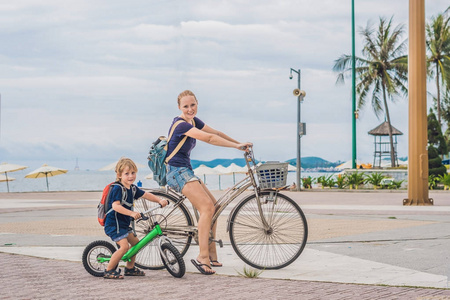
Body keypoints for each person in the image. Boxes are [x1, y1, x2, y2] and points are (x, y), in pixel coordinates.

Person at [166, 90, 252, 275]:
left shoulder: (194, 121)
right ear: (179, 108)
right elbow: (209, 138)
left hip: (185, 170)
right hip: (176, 171)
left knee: (214, 206)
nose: (190, 109)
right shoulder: (181, 125)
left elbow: (216, 132)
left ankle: (211, 253)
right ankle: (202, 257)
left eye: (193, 105)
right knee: (207, 208)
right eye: (186, 106)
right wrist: (235, 146)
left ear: (197, 103)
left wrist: (239, 144)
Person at [103, 157, 168, 279]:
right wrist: (132, 214)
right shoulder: (117, 188)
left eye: (133, 173)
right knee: (124, 247)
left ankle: (130, 268)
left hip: (123, 225)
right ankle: (109, 270)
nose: (130, 176)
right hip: (114, 224)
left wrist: (159, 200)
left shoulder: (132, 188)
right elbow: (115, 206)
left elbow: (146, 195)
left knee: (136, 244)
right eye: (126, 173)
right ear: (119, 175)